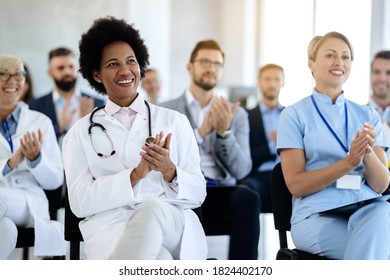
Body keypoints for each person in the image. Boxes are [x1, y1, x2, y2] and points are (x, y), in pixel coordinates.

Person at [62, 16, 207, 260]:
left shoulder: (175, 121)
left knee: (151, 209)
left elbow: (199, 192)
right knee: (159, 259)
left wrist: (170, 171)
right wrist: (134, 176)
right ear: (96, 74)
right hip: (111, 226)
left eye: (131, 61)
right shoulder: (79, 132)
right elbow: (79, 202)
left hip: (171, 222)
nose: (125, 70)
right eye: (112, 64)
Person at [277, 31, 390, 259]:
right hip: (316, 215)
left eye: (346, 57)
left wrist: (367, 153)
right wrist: (349, 162)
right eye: (330, 55)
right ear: (311, 64)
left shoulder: (367, 114)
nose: (339, 62)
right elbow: (296, 185)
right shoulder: (293, 115)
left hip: (364, 207)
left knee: (381, 211)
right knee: (378, 249)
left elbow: (381, 185)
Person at [160, 39, 260, 260]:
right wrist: (200, 133)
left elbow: (242, 170)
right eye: (205, 61)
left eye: (217, 64)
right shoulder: (166, 111)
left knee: (249, 199)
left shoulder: (237, 114)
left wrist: (225, 134)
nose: (211, 68)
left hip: (219, 190)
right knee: (186, 202)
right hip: (182, 190)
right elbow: (164, 159)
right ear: (190, 66)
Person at [0, 53, 66, 259]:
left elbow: (55, 180)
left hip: (29, 203)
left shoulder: (41, 122)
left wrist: (37, 158)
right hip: (5, 212)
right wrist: (10, 163)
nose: (12, 81)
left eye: (18, 74)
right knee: (6, 230)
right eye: (3, 74)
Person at [28, 47, 105, 144]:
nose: (67, 72)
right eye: (61, 68)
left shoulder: (98, 104)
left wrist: (88, 122)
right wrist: (59, 127)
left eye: (71, 67)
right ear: (50, 73)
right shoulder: (35, 107)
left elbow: (104, 142)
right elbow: (35, 145)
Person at [239, 64, 285, 213]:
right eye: (267, 79)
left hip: (289, 175)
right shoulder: (245, 116)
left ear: (283, 82)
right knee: (246, 193)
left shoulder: (291, 115)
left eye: (276, 79)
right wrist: (274, 144)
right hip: (259, 177)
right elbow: (246, 156)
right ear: (259, 82)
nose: (272, 84)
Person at [369, 50, 390, 123]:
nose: (382, 79)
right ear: (370, 75)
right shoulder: (354, 115)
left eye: (388, 73)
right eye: (377, 72)